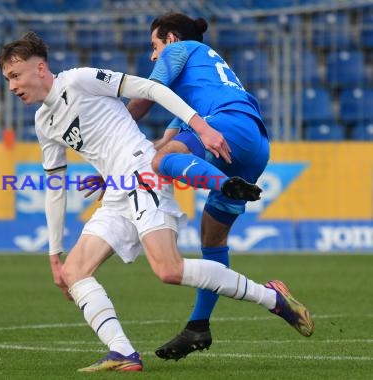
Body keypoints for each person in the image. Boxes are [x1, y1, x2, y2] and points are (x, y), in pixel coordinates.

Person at [0, 32, 314, 373]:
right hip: (117, 191)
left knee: (169, 270)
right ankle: (122, 353)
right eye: (7, 80)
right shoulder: (43, 122)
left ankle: (271, 297)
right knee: (74, 272)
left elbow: (152, 89)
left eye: (15, 76)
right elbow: (55, 186)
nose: (12, 86)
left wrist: (201, 127)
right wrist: (53, 254)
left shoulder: (79, 80)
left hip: (142, 172)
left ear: (40, 67)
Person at [125, 12, 274, 361]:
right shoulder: (202, 81)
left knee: (163, 164)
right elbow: (164, 142)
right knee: (212, 238)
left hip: (226, 125)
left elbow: (146, 96)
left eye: (155, 45)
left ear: (172, 39)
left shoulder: (182, 50)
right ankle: (198, 326)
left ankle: (226, 184)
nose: (152, 55)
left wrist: (108, 121)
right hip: (255, 144)